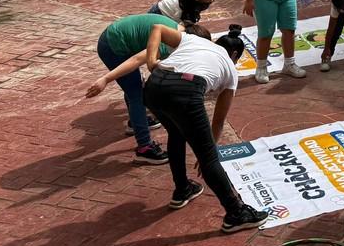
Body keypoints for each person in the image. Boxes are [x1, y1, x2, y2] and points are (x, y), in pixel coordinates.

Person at [85, 23, 269, 234]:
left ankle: (182, 189)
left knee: (176, 133)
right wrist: (207, 154)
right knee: (209, 157)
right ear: (235, 55)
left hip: (154, 87)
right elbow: (218, 121)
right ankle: (236, 212)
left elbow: (157, 28)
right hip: (185, 89)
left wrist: (153, 61)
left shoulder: (195, 40)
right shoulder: (230, 70)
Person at [94, 12, 179, 163]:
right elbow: (136, 60)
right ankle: (144, 147)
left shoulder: (180, 31)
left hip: (118, 37)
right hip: (113, 46)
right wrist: (106, 79)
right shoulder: (165, 47)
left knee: (134, 85)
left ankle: (135, 122)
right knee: (137, 94)